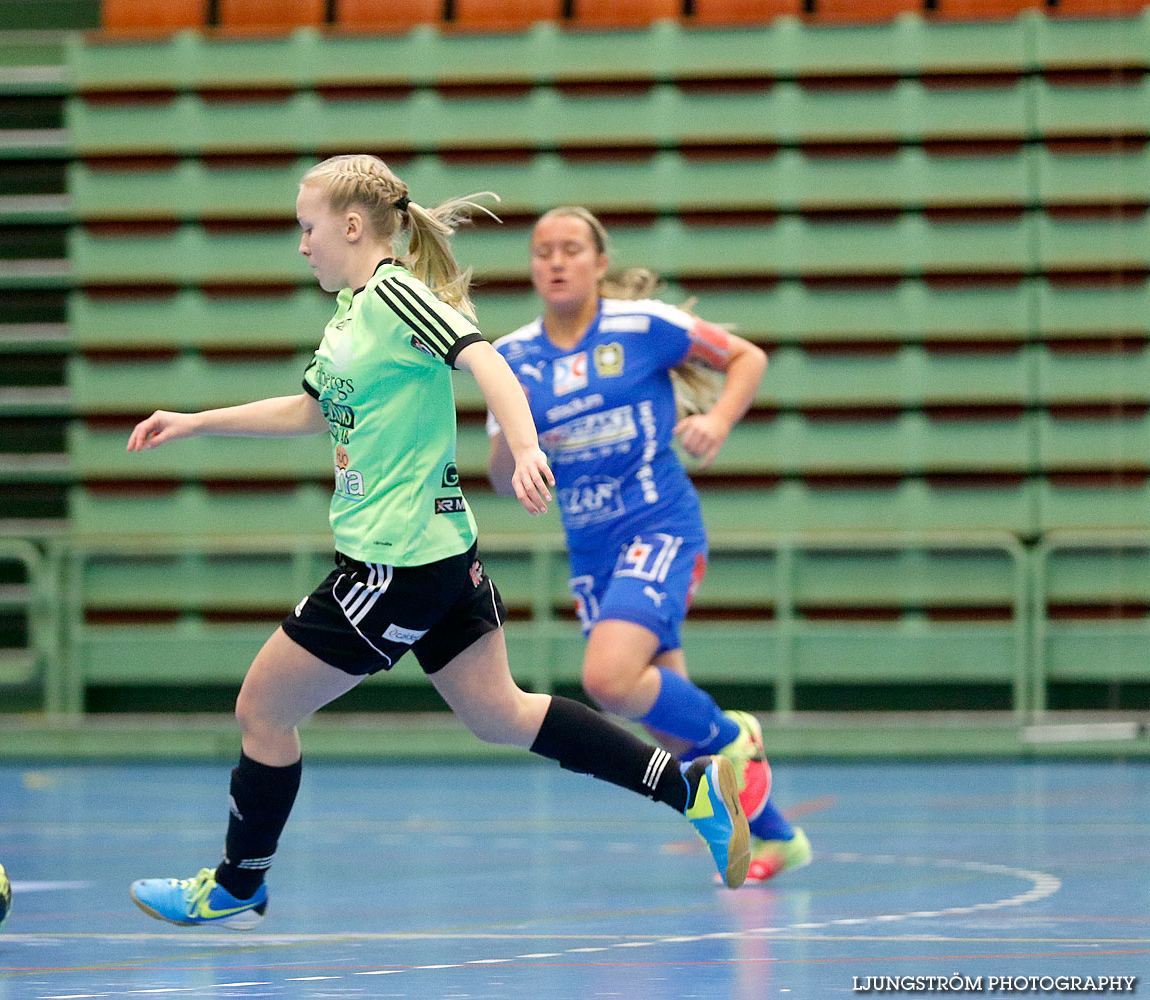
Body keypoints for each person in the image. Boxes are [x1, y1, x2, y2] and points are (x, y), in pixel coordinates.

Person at [124, 156, 750, 929]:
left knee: (262, 710)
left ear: (351, 226)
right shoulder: (353, 315)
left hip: (395, 566)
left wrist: (524, 448)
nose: (301, 245)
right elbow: (309, 410)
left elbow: (482, 357)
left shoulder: (395, 293)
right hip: (440, 561)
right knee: (502, 715)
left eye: (306, 227)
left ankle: (238, 880)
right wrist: (194, 421)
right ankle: (690, 789)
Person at [485, 206, 810, 884]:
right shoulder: (509, 359)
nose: (555, 261)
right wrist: (517, 463)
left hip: (659, 526)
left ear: (599, 262)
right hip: (591, 551)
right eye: (542, 250)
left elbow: (746, 356)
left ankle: (735, 740)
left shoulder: (645, 326)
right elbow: (497, 465)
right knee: (662, 718)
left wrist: (718, 419)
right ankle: (777, 837)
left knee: (608, 679)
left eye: (571, 248)